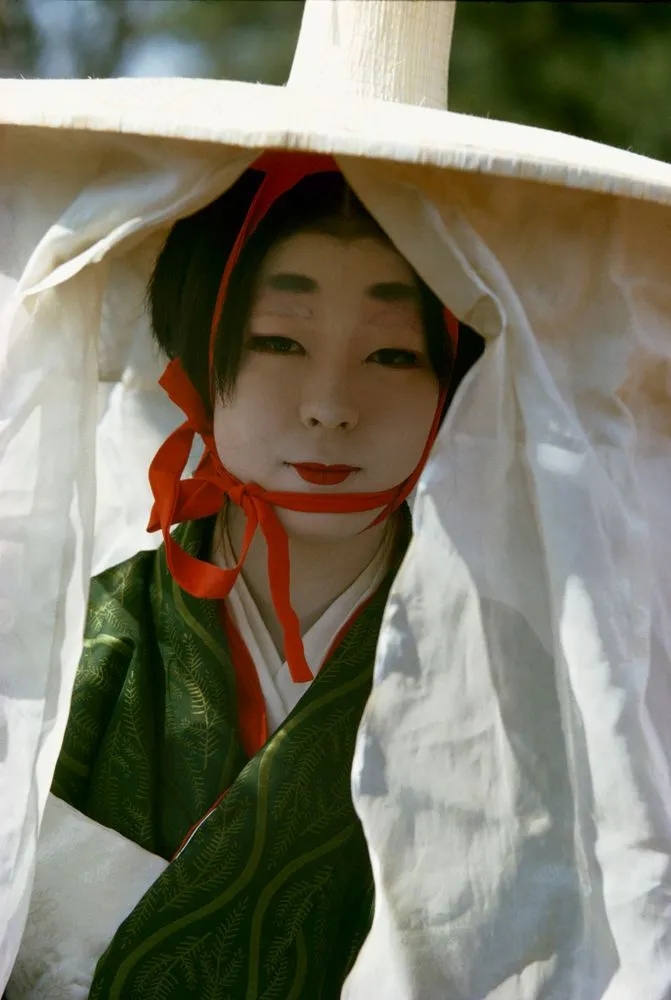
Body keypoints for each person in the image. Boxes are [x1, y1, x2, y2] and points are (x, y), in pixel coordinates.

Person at [8, 152, 482, 999]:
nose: (329, 403)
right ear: (198, 353)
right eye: (278, 340)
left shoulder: (500, 674)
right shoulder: (78, 639)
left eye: (392, 355)